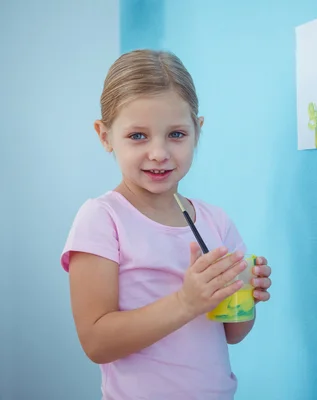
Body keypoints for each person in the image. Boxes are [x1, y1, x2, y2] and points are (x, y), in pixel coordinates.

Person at [60, 49, 272, 400]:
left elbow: (233, 333)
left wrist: (243, 296)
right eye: (138, 136)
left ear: (197, 131)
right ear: (104, 136)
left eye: (176, 134)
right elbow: (96, 342)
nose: (159, 152)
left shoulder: (215, 221)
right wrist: (186, 302)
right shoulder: (102, 219)